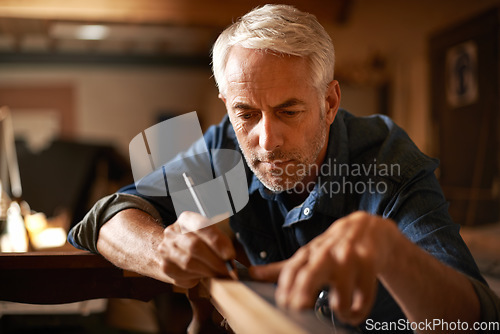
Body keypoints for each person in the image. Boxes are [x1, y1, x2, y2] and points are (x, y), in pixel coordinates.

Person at [69, 4, 500, 333]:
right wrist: (163, 249)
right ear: (228, 106)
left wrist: (391, 252)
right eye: (247, 113)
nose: (265, 139)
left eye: (289, 111)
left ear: (329, 103)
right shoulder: (225, 149)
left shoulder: (386, 160)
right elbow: (107, 216)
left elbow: (475, 322)